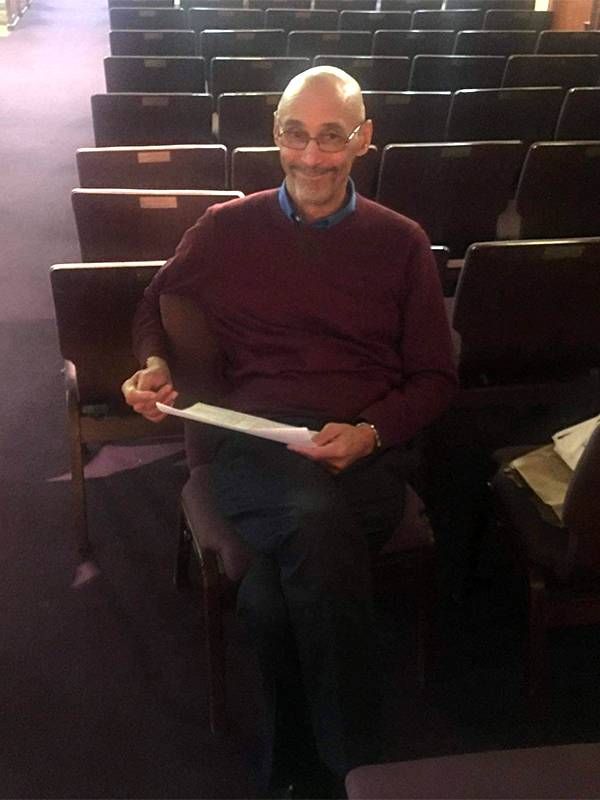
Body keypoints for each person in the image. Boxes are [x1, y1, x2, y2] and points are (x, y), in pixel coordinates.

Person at [123, 66, 457, 798]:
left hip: (363, 457)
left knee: (271, 597)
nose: (312, 156)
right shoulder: (226, 228)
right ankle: (355, 768)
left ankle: (295, 769)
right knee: (306, 519)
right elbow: (154, 302)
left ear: (363, 140)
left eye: (332, 137)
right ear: (276, 135)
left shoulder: (401, 243)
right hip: (253, 448)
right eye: (296, 135)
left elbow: (436, 378)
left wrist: (369, 432)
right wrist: (152, 365)